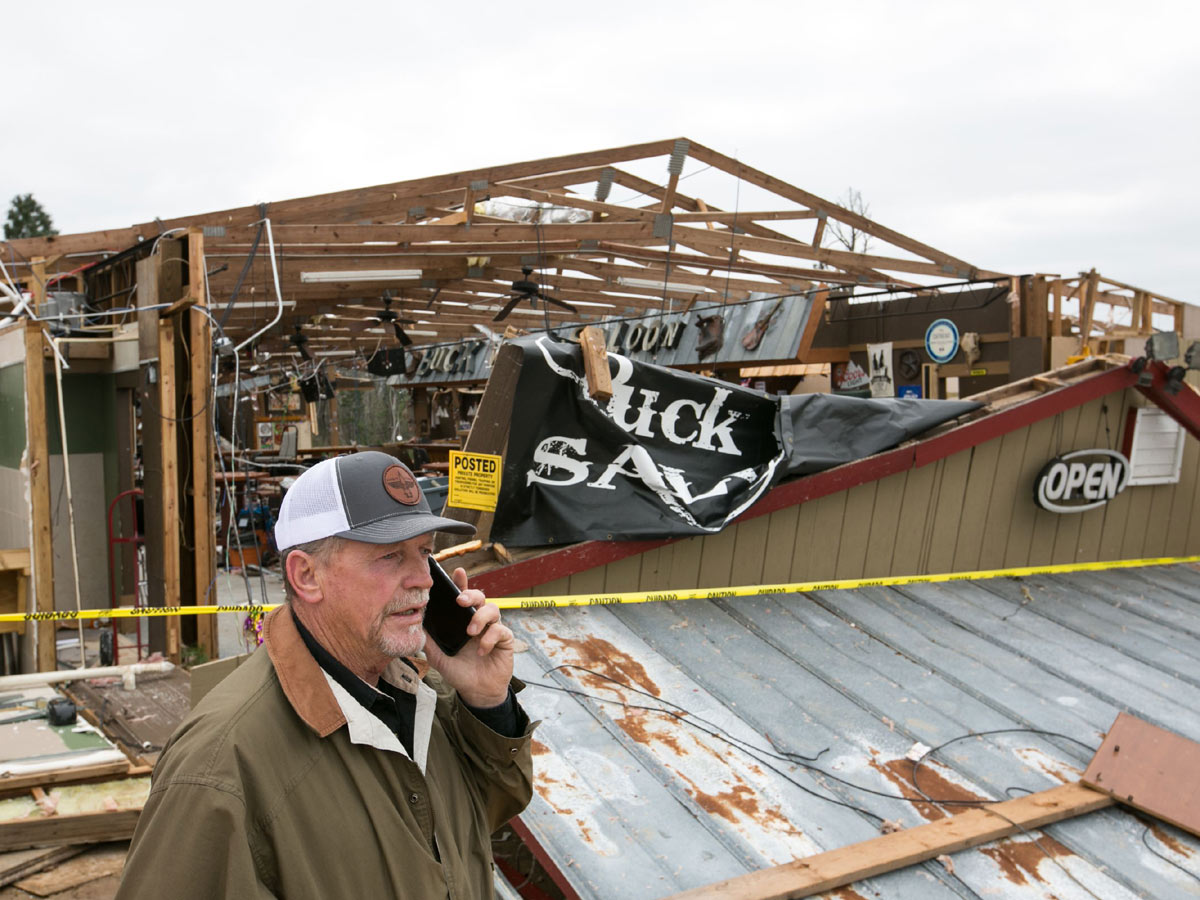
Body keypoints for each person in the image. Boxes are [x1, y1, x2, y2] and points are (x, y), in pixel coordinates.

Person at [117, 451, 534, 899]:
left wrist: (488, 703)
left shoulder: (418, 693)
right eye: (390, 556)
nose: (423, 579)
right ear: (306, 575)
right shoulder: (220, 767)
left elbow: (480, 818)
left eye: (425, 552)